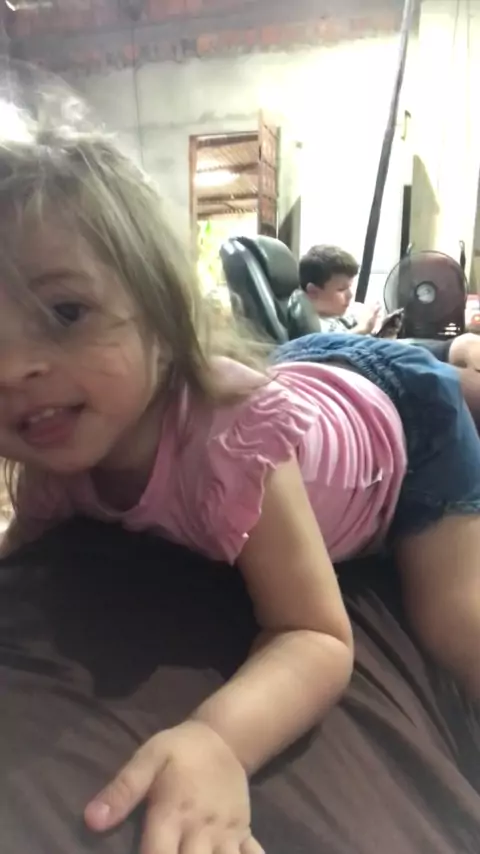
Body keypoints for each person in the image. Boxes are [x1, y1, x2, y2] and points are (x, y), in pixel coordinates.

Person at [2, 123, 480, 854]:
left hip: (400, 418)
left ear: (162, 310)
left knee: (455, 619)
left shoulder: (229, 441)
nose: (12, 369)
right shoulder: (51, 453)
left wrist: (218, 740)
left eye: (65, 313)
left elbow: (316, 635)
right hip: (304, 365)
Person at [299, 244, 380, 334]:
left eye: (349, 287)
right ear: (313, 292)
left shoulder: (345, 313)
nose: (350, 295)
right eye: (341, 289)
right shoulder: (308, 327)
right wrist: (362, 328)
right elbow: (327, 342)